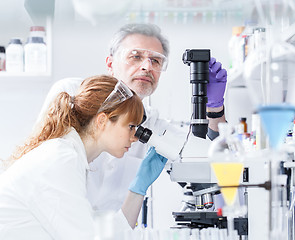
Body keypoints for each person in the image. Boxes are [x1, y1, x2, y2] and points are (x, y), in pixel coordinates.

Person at [36, 23, 227, 215]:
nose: (147, 66)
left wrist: (214, 108)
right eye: (136, 57)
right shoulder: (72, 93)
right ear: (111, 64)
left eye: (156, 61)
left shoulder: (153, 125)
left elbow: (209, 158)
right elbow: (42, 164)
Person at [0, 75, 168, 239]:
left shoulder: (70, 155)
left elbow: (103, 231)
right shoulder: (61, 159)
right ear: (102, 121)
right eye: (131, 126)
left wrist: (137, 189)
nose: (135, 137)